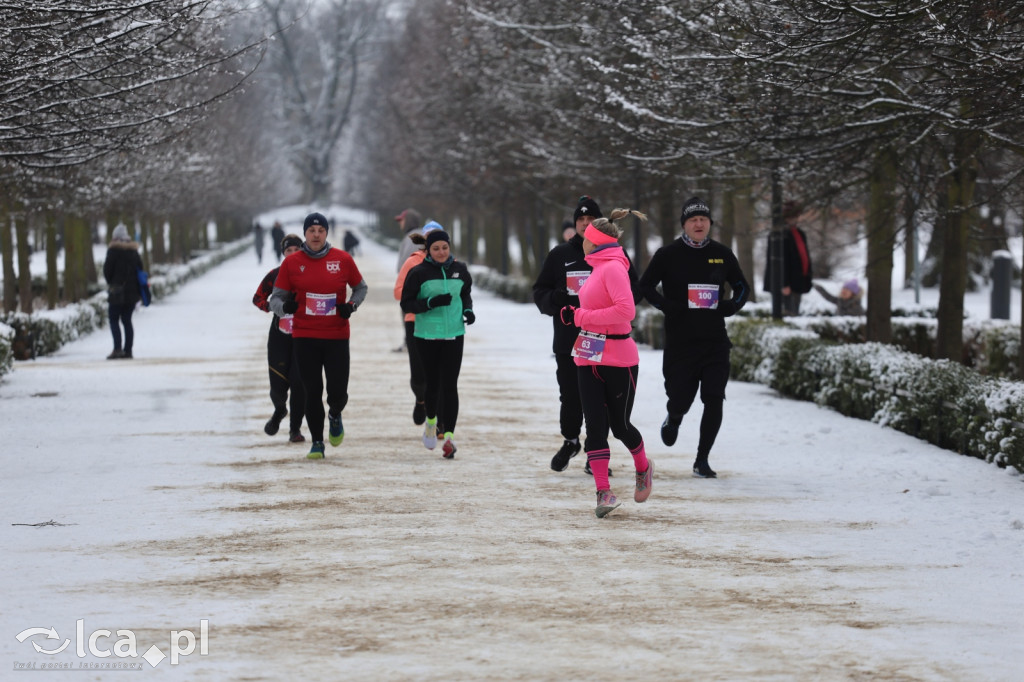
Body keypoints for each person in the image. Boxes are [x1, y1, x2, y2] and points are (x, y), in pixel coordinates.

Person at [639, 196, 750, 479]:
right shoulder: (668, 254)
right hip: (681, 342)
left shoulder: (723, 254)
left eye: (703, 219)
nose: (699, 224)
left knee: (714, 398)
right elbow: (646, 286)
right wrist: (668, 305)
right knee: (681, 398)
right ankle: (674, 416)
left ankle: (702, 459)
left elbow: (741, 287)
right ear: (684, 225)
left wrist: (731, 306)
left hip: (714, 341)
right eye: (693, 220)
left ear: (710, 223)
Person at [533, 195, 640, 476]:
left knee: (599, 402)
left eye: (591, 220)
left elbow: (632, 295)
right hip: (569, 337)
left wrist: (607, 312)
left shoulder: (617, 257)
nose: (585, 224)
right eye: (580, 220)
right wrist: (558, 300)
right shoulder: (560, 255)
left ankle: (596, 455)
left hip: (604, 341)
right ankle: (570, 441)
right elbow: (540, 292)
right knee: (570, 396)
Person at [559, 209, 653, 518]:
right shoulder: (597, 267)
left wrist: (581, 317)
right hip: (588, 355)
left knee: (620, 426)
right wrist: (574, 314)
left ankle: (643, 466)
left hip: (618, 357)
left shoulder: (613, 268)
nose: (579, 240)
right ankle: (604, 493)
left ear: (595, 241)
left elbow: (625, 312)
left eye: (585, 238)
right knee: (595, 428)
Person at [270, 212, 368, 459]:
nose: (316, 235)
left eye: (320, 231)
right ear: (305, 233)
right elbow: (276, 299)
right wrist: (286, 308)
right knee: (311, 391)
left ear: (326, 233)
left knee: (338, 392)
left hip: (336, 335)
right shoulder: (291, 263)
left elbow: (360, 287)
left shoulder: (343, 259)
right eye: (311, 231)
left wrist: (351, 305)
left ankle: (335, 413)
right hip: (305, 336)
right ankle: (317, 442)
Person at [400, 227, 474, 460]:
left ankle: (449, 437)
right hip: (426, 336)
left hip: (454, 334)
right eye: (436, 249)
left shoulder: (460, 270)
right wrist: (431, 302)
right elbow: (407, 303)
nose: (441, 252)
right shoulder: (419, 272)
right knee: (432, 384)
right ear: (428, 251)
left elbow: (465, 293)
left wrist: (469, 310)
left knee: (450, 385)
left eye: (444, 247)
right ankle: (431, 422)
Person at [253, 234, 307, 443]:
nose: (293, 254)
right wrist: (275, 309)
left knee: (299, 383)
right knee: (278, 384)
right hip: (279, 336)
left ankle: (295, 430)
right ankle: (279, 410)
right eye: (289, 251)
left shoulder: (309, 273)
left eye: (297, 250)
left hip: (304, 336)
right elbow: (257, 298)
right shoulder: (274, 275)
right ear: (283, 253)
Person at [394, 221, 444, 427]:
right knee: (420, 374)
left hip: (442, 323)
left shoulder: (451, 264)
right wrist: (423, 297)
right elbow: (398, 292)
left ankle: (440, 421)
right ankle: (421, 400)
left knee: (441, 373)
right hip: (415, 322)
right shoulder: (412, 263)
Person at [763, 200, 812, 315]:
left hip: (797, 282)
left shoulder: (799, 233)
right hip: (786, 285)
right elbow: (777, 261)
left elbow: (803, 257)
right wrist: (783, 283)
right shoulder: (779, 234)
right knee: (788, 314)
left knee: (794, 312)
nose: (794, 219)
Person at [103, 224, 144, 360]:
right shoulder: (134, 251)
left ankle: (117, 349)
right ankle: (128, 351)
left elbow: (107, 271)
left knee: (114, 319)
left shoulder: (113, 251)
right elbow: (141, 269)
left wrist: (113, 282)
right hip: (132, 293)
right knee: (127, 320)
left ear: (116, 237)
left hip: (117, 291)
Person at [393, 208, 424, 353]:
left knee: (409, 313)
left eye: (402, 220)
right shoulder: (421, 235)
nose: (400, 223)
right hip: (422, 283)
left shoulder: (412, 237)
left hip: (412, 284)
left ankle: (410, 342)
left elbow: (404, 264)